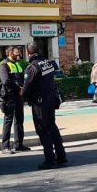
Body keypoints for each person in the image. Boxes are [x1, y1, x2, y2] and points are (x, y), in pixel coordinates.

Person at [21, 42, 67, 170]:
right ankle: (61, 156)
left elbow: (26, 88)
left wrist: (22, 96)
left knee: (42, 129)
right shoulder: (49, 63)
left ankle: (50, 160)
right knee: (52, 127)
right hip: (52, 99)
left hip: (40, 102)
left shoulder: (32, 67)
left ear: (28, 52)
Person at [0, 46, 30, 154]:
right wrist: (19, 89)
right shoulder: (3, 65)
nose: (19, 54)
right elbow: (6, 81)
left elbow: (23, 78)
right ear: (10, 53)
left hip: (19, 96)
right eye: (17, 52)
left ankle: (18, 144)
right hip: (9, 96)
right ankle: (5, 146)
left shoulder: (17, 64)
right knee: (8, 121)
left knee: (19, 121)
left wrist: (24, 89)